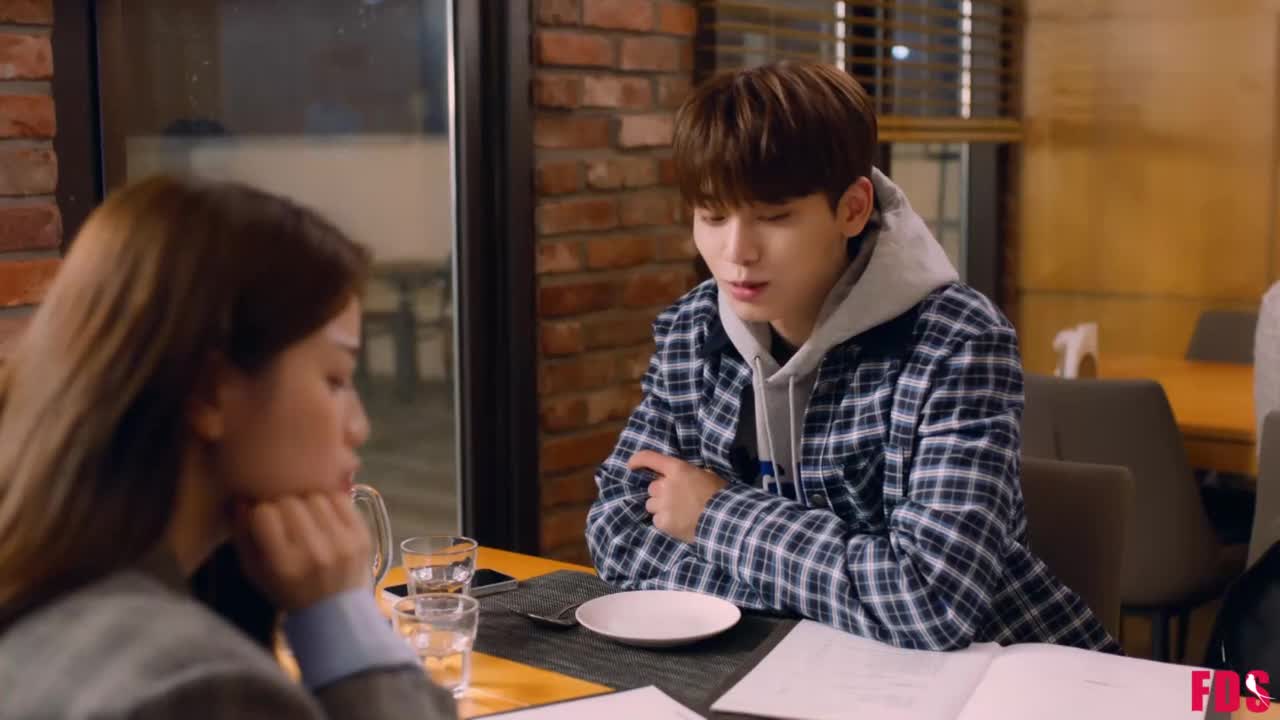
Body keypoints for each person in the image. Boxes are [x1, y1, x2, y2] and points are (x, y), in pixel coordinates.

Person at [585, 61, 1118, 652]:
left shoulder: (956, 340)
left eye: (774, 217)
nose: (737, 252)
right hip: (792, 667)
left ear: (853, 209)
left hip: (1000, 673)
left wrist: (713, 515)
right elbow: (616, 531)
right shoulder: (694, 328)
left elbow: (930, 603)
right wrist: (830, 589)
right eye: (712, 216)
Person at [0, 176, 457, 719]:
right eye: (335, 379)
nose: (359, 427)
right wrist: (343, 619)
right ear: (210, 392)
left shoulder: (43, 605)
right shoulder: (201, 688)